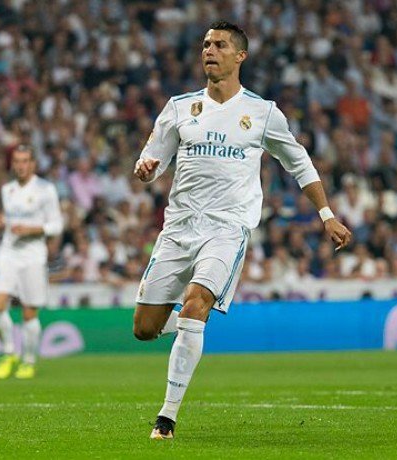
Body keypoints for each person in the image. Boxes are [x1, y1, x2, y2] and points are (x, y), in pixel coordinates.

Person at [132, 21, 352, 440]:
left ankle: (167, 417)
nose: (209, 51)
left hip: (227, 228)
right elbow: (151, 159)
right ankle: (185, 327)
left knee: (196, 305)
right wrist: (145, 169)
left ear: (240, 56)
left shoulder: (263, 112)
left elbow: (299, 163)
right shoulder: (179, 107)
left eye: (219, 45)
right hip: (178, 229)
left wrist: (326, 215)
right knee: (144, 329)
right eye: (205, 44)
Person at [0, 145, 63, 380]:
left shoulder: (45, 189)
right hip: (9, 252)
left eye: (25, 161)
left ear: (33, 164)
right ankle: (9, 352)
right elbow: (10, 219)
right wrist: (1, 222)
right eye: (17, 161)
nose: (20, 165)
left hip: (33, 255)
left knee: (29, 312)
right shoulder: (7, 190)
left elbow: (57, 225)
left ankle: (28, 360)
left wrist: (32, 229)